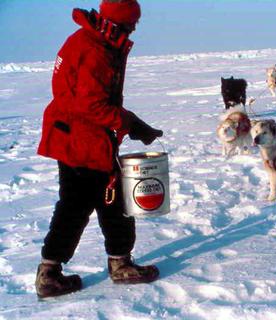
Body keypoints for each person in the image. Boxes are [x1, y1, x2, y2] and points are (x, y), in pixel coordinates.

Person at [35, 0, 162, 298]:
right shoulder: (96, 50)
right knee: (92, 203)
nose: (135, 28)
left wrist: (126, 123)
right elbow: (91, 104)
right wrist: (130, 122)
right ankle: (60, 272)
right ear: (119, 22)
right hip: (80, 139)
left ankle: (62, 270)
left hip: (78, 135)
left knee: (96, 202)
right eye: (133, 22)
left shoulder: (93, 39)